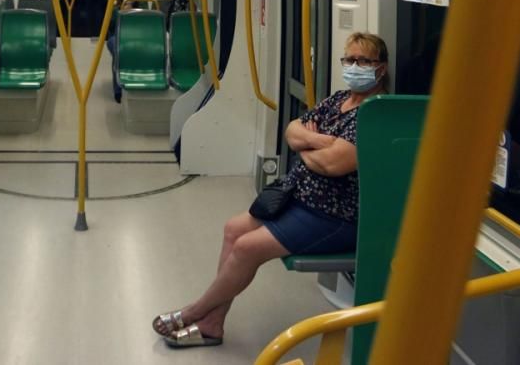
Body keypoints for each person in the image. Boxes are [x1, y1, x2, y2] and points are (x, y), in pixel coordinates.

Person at [151, 31, 390, 348]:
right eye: (350, 59)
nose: (354, 66)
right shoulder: (337, 99)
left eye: (364, 61)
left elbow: (335, 164)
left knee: (246, 248)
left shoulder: (375, 114)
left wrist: (309, 146)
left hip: (333, 217)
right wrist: (319, 144)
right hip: (298, 199)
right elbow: (293, 131)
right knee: (233, 229)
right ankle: (212, 324)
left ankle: (197, 311)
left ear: (381, 69)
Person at [106, 0, 142, 103]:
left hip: (136, 37)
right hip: (117, 36)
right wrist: (121, 13)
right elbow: (110, 27)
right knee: (118, 50)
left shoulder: (142, 6)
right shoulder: (116, 7)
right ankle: (118, 90)